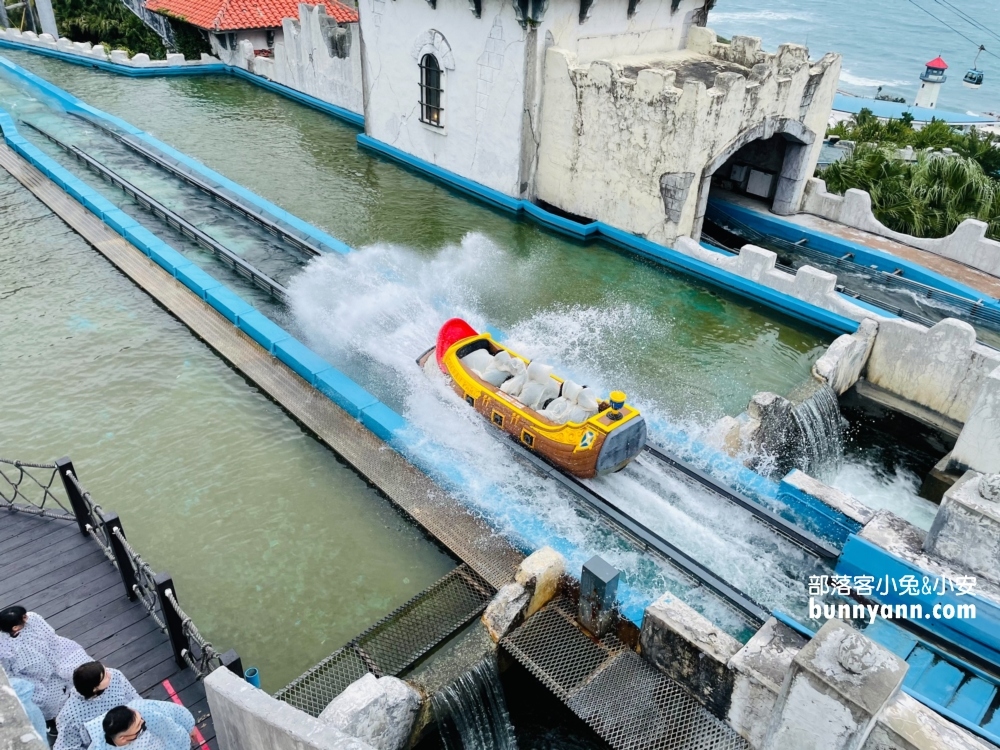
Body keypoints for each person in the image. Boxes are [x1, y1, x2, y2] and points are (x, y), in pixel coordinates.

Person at [0, 606, 90, 720]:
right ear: (15, 627)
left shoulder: (32, 619)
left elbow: (50, 636)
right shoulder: (3, 645)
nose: (27, 617)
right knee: (45, 699)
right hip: (32, 675)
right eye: (23, 617)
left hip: (54, 656)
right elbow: (6, 669)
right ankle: (55, 719)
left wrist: (54, 660)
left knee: (80, 666)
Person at [54, 662, 140, 750]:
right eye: (105, 676)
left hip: (134, 730)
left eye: (106, 670)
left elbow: (135, 698)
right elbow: (66, 747)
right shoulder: (69, 716)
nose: (110, 674)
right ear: (95, 688)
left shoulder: (115, 676)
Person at [86, 700, 195, 749]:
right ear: (123, 739)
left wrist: (189, 726)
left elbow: (172, 710)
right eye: (139, 726)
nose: (143, 722)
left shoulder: (143, 710)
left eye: (140, 718)